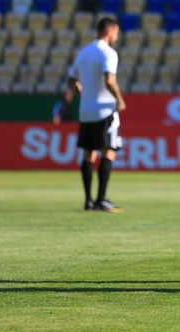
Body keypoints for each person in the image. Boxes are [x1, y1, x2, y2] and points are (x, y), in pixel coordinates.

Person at [61, 17, 126, 213]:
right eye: (116, 33)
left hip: (86, 111)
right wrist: (120, 99)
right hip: (105, 109)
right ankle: (101, 200)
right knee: (109, 151)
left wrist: (83, 93)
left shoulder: (84, 52)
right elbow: (109, 80)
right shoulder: (108, 53)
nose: (117, 36)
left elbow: (71, 79)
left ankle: (88, 201)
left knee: (89, 154)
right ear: (109, 32)